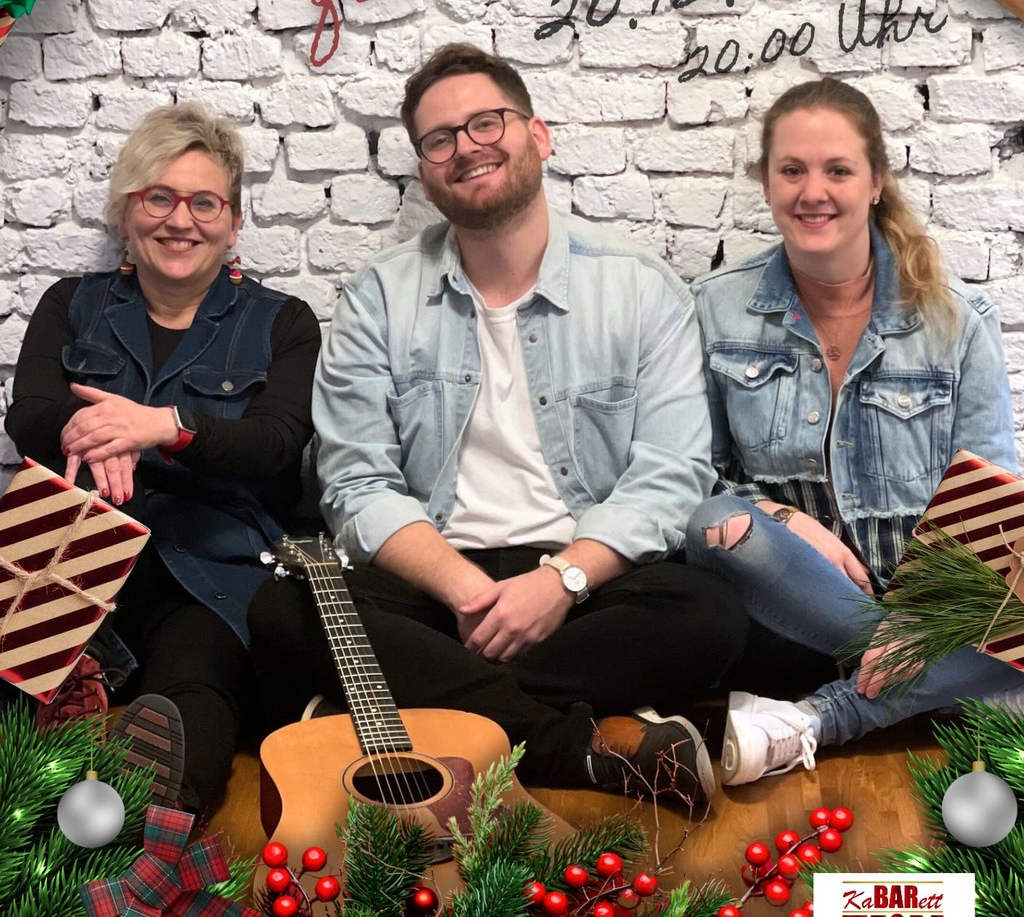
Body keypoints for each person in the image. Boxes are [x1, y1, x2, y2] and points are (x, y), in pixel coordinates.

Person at [249, 43, 746, 803]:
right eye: (439, 139)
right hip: (435, 583)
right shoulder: (380, 294)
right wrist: (466, 592)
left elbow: (672, 474)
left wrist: (561, 580)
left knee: (709, 615)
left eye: (487, 123)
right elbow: (355, 480)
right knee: (284, 609)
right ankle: (568, 748)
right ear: (425, 173)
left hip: (583, 582)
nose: (466, 147)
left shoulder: (641, 288)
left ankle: (412, 705)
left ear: (538, 135)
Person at [685, 77, 1020, 785]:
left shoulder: (958, 320)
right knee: (715, 526)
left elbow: (989, 503)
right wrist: (786, 519)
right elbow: (697, 477)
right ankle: (948, 681)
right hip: (788, 602)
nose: (814, 192)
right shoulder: (714, 309)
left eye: (837, 170)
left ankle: (820, 717)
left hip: (929, 604)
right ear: (767, 182)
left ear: (875, 182)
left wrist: (923, 619)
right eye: (792, 170)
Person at [5, 103, 321, 818]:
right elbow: (29, 417)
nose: (181, 220)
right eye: (159, 198)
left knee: (193, 693)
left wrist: (164, 429)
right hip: (70, 543)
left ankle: (143, 836)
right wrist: (94, 428)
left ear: (233, 224)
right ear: (127, 213)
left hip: (208, 563)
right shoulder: (71, 304)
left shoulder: (284, 321)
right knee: (14, 684)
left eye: (204, 203)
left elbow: (277, 443)